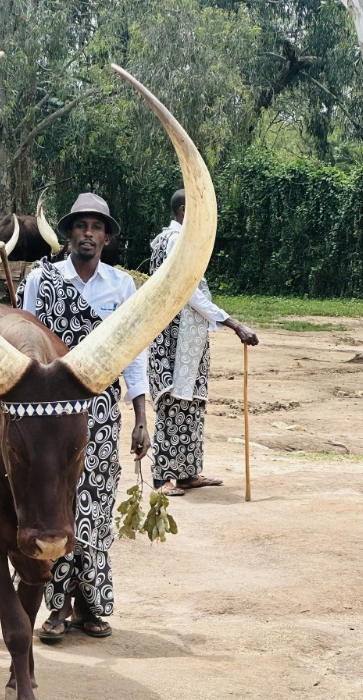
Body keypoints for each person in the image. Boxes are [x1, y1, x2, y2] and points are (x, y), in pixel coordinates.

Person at [17, 193, 149, 641]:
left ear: (107, 237)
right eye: (80, 226)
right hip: (47, 418)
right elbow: (25, 341)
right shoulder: (43, 279)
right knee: (53, 504)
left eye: (96, 227)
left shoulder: (122, 287)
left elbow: (133, 355)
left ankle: (88, 605)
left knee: (93, 507)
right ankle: (53, 611)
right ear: (69, 233)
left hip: (102, 412)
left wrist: (141, 417)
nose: (88, 234)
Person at [148, 189, 259, 496]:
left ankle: (186, 474)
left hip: (191, 337)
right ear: (184, 211)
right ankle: (163, 478)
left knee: (192, 403)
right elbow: (188, 292)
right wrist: (232, 322)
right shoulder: (173, 241)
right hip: (173, 337)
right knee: (172, 403)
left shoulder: (183, 241)